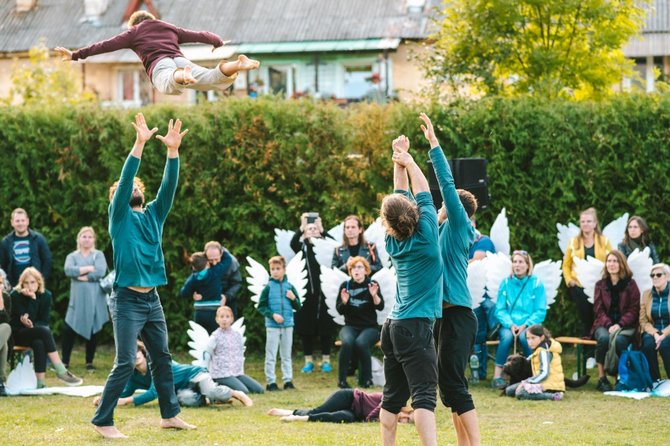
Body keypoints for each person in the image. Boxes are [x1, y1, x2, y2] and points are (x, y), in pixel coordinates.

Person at [91, 113, 192, 439]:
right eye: (123, 186)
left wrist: (172, 152)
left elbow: (168, 188)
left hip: (151, 300)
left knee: (162, 358)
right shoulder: (118, 217)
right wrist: (139, 144)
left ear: (141, 194)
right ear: (116, 198)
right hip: (127, 299)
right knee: (124, 362)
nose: (130, 185)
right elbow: (127, 174)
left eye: (134, 185)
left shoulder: (153, 216)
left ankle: (169, 416)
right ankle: (103, 420)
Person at [378, 133, 442, 446]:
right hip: (415, 327)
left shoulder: (392, 241)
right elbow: (424, 193)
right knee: (424, 398)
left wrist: (398, 157)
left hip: (391, 327)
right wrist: (410, 160)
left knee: (391, 399)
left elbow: (401, 194)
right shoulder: (428, 235)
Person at [422, 113, 480, 446]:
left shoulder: (460, 227)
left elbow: (445, 183)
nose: (442, 205)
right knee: (447, 387)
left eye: (448, 204)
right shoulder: (441, 230)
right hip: (441, 315)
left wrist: (433, 145)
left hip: (459, 313)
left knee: (455, 385)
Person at [55, 11, 259, 96]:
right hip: (179, 58)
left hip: (161, 65)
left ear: (134, 24)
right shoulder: (169, 27)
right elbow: (200, 34)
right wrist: (218, 41)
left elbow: (105, 45)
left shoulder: (134, 32)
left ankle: (183, 76)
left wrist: (75, 55)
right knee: (211, 77)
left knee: (168, 81)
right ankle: (238, 64)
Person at [93, 340, 252, 409]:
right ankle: (213, 399)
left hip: (195, 374)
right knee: (184, 400)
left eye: (136, 352)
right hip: (181, 389)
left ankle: (234, 393)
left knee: (210, 390)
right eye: (129, 354)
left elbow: (153, 393)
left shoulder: (155, 364)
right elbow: (123, 391)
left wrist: (125, 402)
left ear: (142, 351)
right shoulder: (133, 375)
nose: (134, 356)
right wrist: (105, 398)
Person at [10, 267, 83, 388]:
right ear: (21, 283)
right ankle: (61, 370)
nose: (29, 286)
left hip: (35, 331)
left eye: (32, 282)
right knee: (44, 331)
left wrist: (32, 325)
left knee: (39, 342)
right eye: (26, 283)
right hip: (18, 333)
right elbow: (21, 319)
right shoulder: (16, 295)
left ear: (39, 282)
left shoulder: (46, 295)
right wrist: (32, 299)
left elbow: (43, 320)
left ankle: (40, 383)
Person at [490, 250, 547, 389]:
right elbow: (500, 309)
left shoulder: (536, 283)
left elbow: (540, 310)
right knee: (506, 337)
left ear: (528, 265)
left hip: (529, 324)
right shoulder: (505, 282)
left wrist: (525, 324)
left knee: (526, 337)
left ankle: (533, 373)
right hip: (508, 324)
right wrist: (510, 324)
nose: (517, 265)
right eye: (514, 262)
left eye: (521, 262)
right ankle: (498, 376)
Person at [291, 214, 336, 374]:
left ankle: (326, 360)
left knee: (325, 328)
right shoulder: (301, 247)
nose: (312, 231)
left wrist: (322, 230)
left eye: (314, 228)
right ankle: (308, 361)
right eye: (310, 229)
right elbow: (292, 243)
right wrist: (302, 227)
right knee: (306, 328)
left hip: (324, 294)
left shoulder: (326, 247)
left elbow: (335, 244)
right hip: (307, 294)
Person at [591, 250, 640, 392]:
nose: (611, 264)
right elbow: (598, 309)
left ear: (621, 264)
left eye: (615, 261)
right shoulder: (600, 284)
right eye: (609, 261)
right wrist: (609, 324)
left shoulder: (631, 284)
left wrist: (620, 324)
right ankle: (602, 378)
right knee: (604, 339)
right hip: (604, 324)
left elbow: (634, 308)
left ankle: (620, 378)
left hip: (626, 325)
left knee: (619, 341)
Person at [62, 226, 109, 371]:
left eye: (90, 237)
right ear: (79, 239)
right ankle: (65, 362)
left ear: (94, 239)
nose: (87, 239)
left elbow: (100, 271)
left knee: (94, 328)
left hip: (95, 299)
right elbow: (68, 270)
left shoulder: (98, 255)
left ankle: (89, 361)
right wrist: (88, 268)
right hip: (77, 299)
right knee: (68, 328)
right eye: (84, 236)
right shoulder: (72, 256)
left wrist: (83, 276)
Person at [562, 207, 613, 339]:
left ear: (595, 223)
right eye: (583, 221)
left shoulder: (604, 241)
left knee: (599, 316)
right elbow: (566, 265)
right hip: (579, 287)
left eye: (589, 221)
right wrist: (569, 281)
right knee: (585, 319)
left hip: (600, 286)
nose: (585, 224)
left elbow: (612, 260)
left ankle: (600, 350)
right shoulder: (573, 242)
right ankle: (587, 354)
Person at [335, 256, 384, 389]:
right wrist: (344, 302)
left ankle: (366, 380)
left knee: (361, 343)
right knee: (347, 342)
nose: (356, 270)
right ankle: (342, 380)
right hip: (350, 326)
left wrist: (374, 295)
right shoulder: (345, 286)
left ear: (366, 270)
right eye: (353, 268)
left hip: (370, 327)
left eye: (359, 267)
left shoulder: (372, 284)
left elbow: (381, 307)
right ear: (350, 271)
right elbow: (339, 310)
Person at [256, 256, 301, 391]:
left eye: (278, 269)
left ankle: (288, 380)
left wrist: (293, 299)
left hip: (288, 325)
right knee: (271, 355)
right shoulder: (268, 288)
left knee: (286, 354)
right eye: (272, 269)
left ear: (284, 270)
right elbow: (261, 306)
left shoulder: (290, 287)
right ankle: (271, 382)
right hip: (272, 326)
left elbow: (298, 306)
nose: (275, 272)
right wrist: (272, 315)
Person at [267, 389, 414, 424]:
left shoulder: (389, 419)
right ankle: (285, 411)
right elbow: (371, 416)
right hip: (349, 397)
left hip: (354, 413)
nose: (403, 419)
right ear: (406, 411)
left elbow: (368, 419)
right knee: (319, 410)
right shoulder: (391, 400)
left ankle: (297, 418)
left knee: (338, 418)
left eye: (407, 421)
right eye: (407, 416)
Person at [208, 306, 263, 394]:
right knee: (244, 391)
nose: (224, 320)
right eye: (221, 317)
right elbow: (207, 354)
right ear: (217, 319)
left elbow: (240, 354)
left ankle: (234, 382)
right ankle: (218, 385)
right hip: (221, 374)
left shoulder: (237, 335)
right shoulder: (214, 337)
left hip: (236, 373)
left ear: (232, 319)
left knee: (259, 390)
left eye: (227, 317)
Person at [468, 215, 497, 383]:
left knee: (478, 335)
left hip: (480, 294)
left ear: (474, 223)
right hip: (462, 294)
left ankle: (480, 373)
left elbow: (475, 263)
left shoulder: (483, 241)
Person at [503, 324, 565, 401]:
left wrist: (526, 382)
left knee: (520, 393)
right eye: (528, 338)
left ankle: (554, 396)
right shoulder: (539, 349)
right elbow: (529, 359)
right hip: (540, 382)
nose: (530, 341)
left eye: (533, 338)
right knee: (509, 390)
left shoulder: (544, 351)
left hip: (550, 386)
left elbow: (544, 373)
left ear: (542, 337)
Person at [0, 208, 52, 286]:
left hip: (35, 285)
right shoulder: (6, 242)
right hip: (14, 287)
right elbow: (3, 265)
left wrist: (40, 281)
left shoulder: (38, 239)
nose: (20, 223)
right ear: (12, 223)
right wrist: (7, 283)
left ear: (27, 221)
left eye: (23, 220)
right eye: (17, 221)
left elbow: (47, 262)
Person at [180, 251, 227, 333]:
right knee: (215, 338)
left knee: (200, 340)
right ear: (207, 263)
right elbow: (228, 260)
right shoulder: (215, 272)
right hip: (214, 312)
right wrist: (219, 250)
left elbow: (183, 293)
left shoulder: (193, 278)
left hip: (199, 313)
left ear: (194, 267)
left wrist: (193, 294)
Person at [639, 263, 670, 381]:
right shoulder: (647, 294)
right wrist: (655, 333)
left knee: (666, 346)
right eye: (652, 275)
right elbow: (643, 320)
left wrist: (663, 334)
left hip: (668, 331)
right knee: (647, 345)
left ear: (667, 277)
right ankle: (655, 380)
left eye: (658, 274)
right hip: (653, 331)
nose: (655, 277)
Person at [203, 241, 243, 318]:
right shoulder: (201, 261)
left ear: (221, 254)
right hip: (208, 302)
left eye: (216, 259)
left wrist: (226, 297)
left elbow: (237, 283)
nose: (214, 263)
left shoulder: (232, 262)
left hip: (228, 301)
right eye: (211, 260)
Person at [0, 269, 11, 396]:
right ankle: (0, 382)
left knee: (5, 327)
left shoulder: (6, 298)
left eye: (0, 282)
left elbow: (7, 320)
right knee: (3, 346)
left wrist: (1, 305)